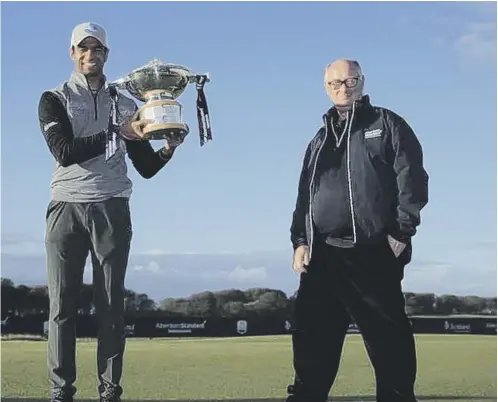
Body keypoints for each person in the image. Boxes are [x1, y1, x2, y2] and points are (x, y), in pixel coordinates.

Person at [37, 22, 186, 402]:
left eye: (98, 49)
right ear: (72, 53)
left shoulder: (126, 104)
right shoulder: (53, 98)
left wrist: (167, 148)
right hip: (66, 208)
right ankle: (61, 392)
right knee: (62, 308)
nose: (91, 55)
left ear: (106, 53)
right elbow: (64, 151)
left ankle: (109, 391)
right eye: (83, 49)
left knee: (111, 307)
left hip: (112, 207)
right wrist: (117, 133)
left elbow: (146, 168)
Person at [286, 59, 429, 402]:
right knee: (311, 339)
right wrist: (300, 240)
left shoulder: (386, 124)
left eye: (350, 81)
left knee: (387, 340)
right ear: (326, 87)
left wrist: (400, 232)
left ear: (362, 82)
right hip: (323, 255)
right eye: (335, 83)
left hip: (373, 250)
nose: (343, 88)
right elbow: (305, 194)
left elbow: (413, 178)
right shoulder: (318, 139)